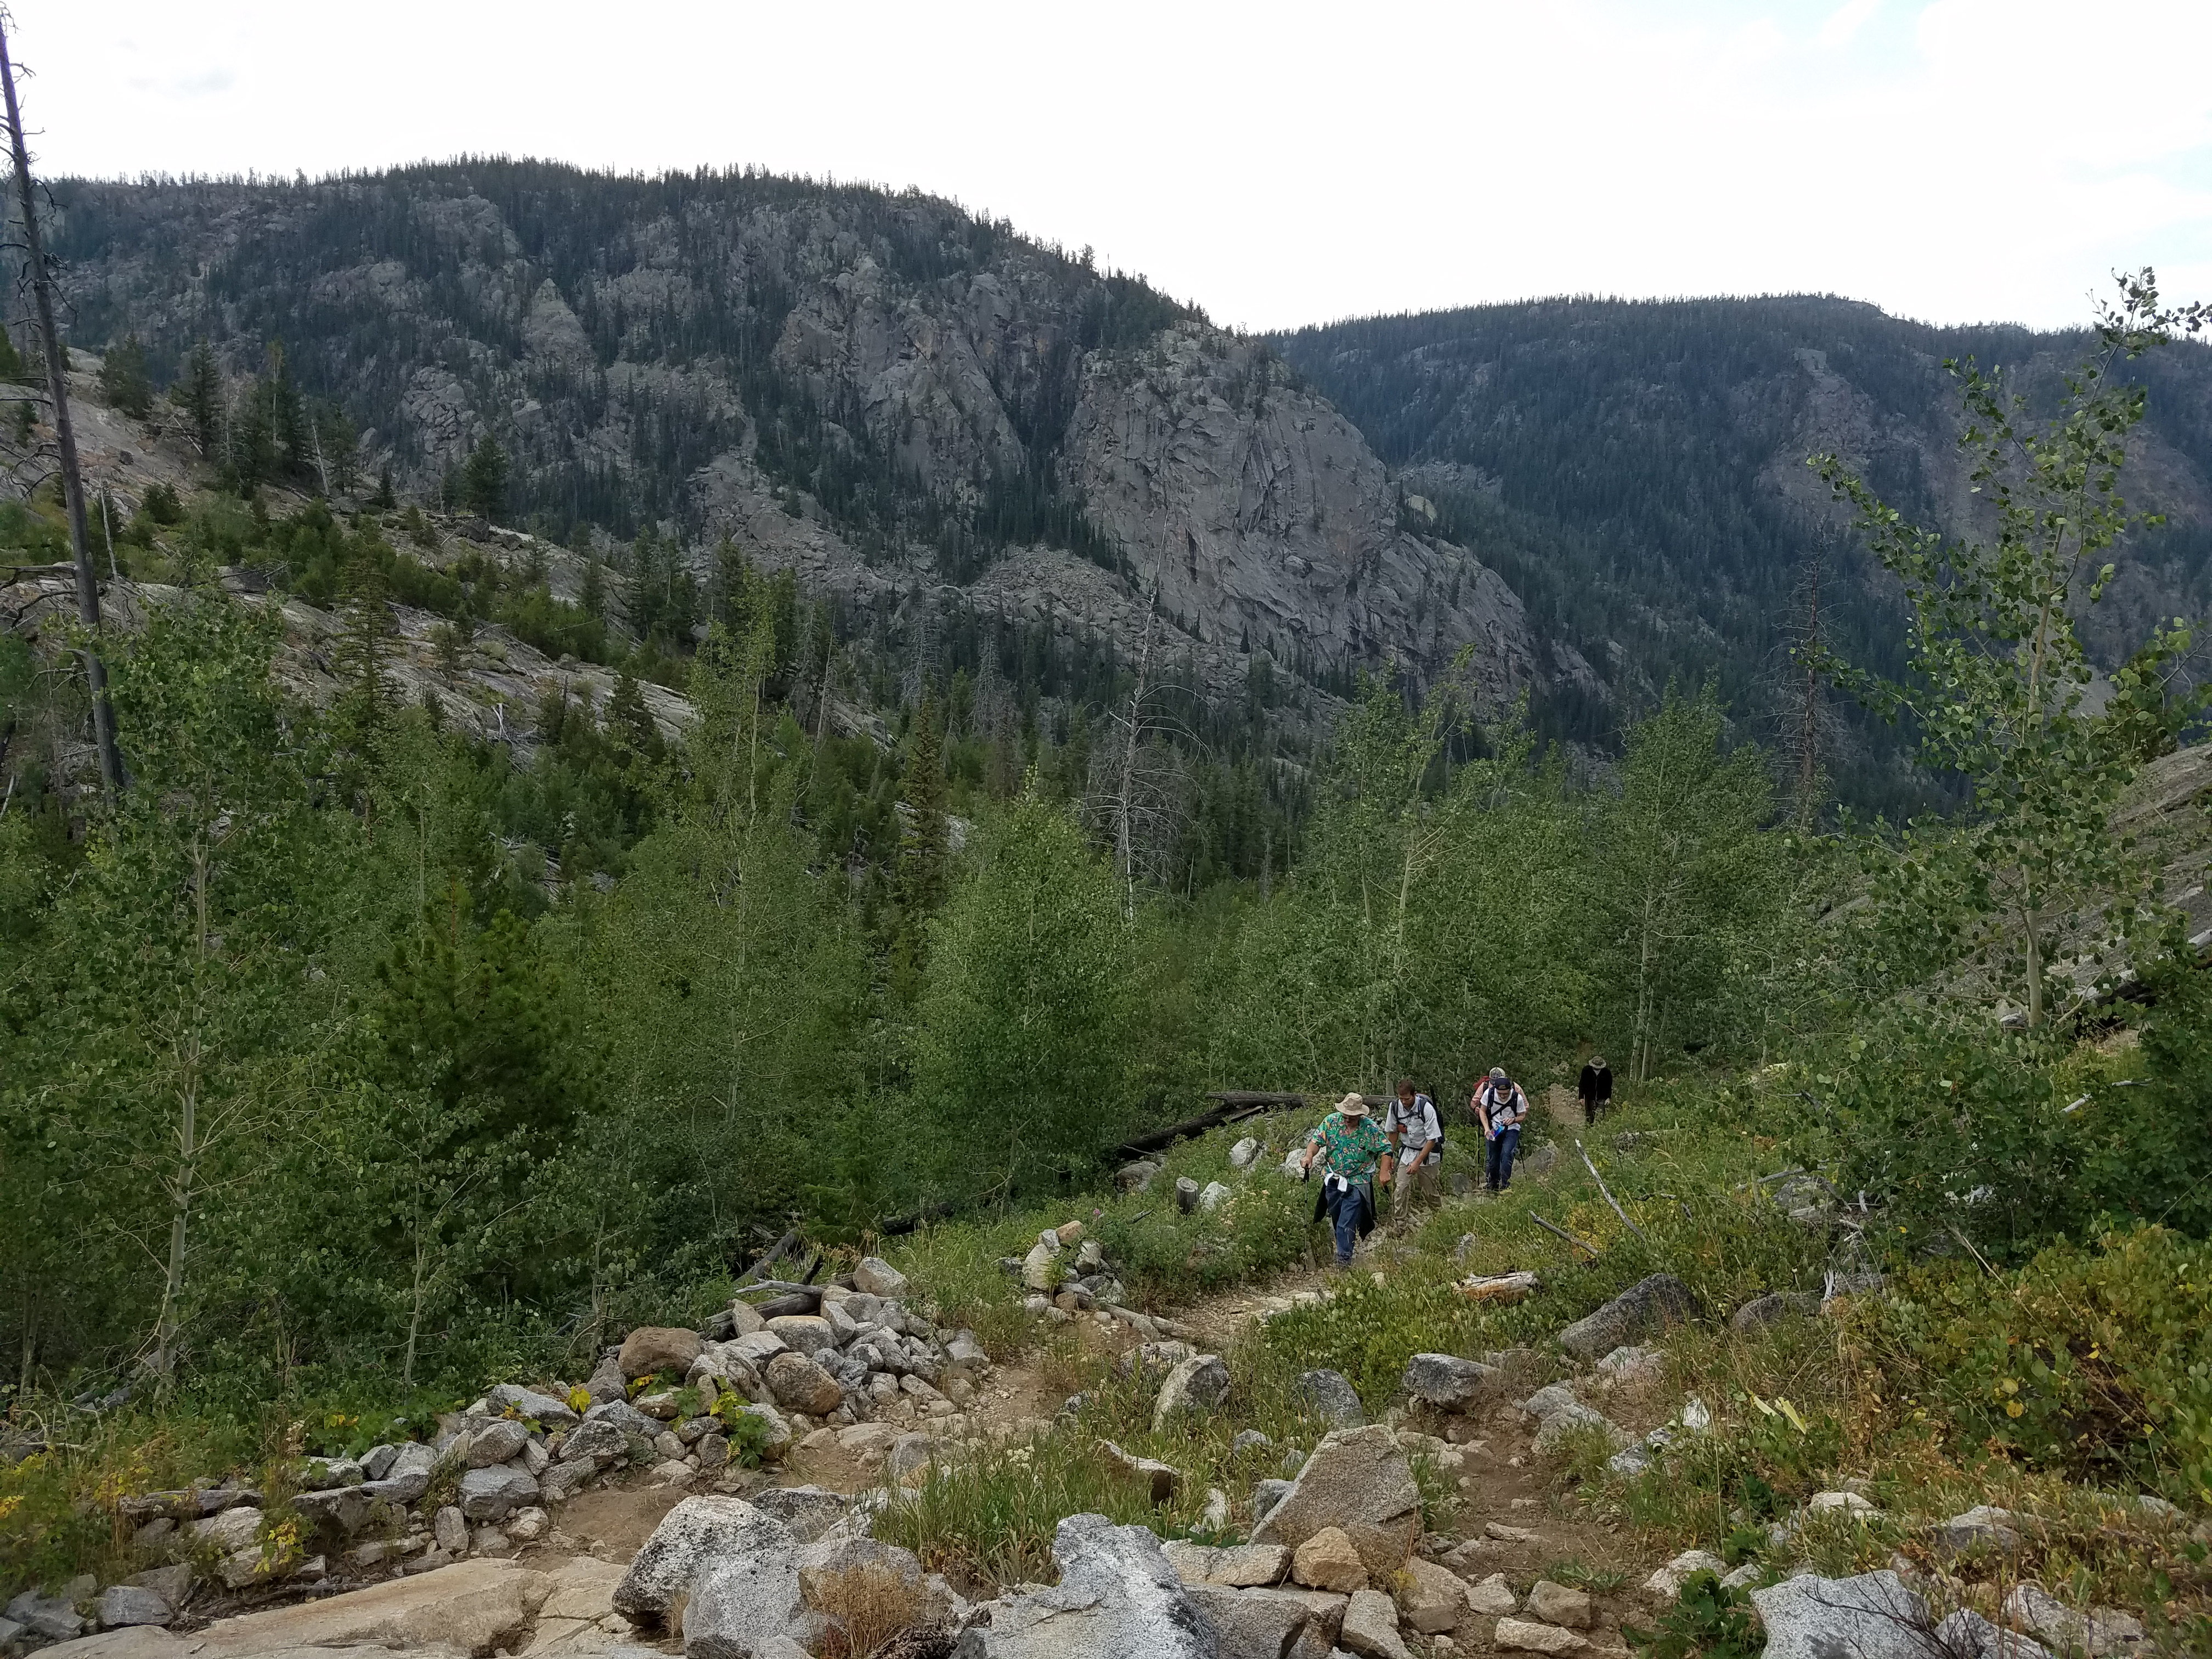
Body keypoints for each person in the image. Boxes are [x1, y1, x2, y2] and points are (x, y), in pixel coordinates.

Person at [1299, 1090, 1391, 1267]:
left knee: (1345, 1222)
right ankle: (1345, 1248)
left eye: (1353, 1116)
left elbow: (1386, 1149)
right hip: (1334, 1180)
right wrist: (1309, 1156)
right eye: (1346, 1115)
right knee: (1337, 1219)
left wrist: (1383, 1172)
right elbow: (1316, 1142)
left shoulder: (1369, 1128)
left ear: (1360, 1115)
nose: (1348, 1119)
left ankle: (1343, 1261)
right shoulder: (1331, 1122)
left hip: (1358, 1181)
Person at [1384, 1077, 1443, 1226]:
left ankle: (1439, 1220)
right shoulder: (1395, 1107)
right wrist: (1389, 1156)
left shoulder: (1426, 1109)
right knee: (1401, 1188)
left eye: (1407, 1099)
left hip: (1428, 1153)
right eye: (1401, 1098)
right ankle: (1399, 1224)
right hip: (1407, 1152)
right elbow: (1392, 1133)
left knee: (1430, 1192)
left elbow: (1432, 1139)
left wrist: (1417, 1162)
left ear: (1414, 1095)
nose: (1404, 1102)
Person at [1475, 1066, 1530, 1193]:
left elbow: (1522, 1115)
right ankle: (1493, 1185)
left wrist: (1514, 1120)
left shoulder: (1517, 1097)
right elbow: (1482, 1111)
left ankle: (1505, 1185)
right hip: (1495, 1128)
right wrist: (1487, 1129)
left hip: (1512, 1129)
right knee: (1493, 1158)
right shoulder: (1489, 1094)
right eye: (1500, 1094)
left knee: (1507, 1154)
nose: (1503, 1096)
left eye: (1506, 1094)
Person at [1578, 1054, 1613, 1126]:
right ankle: (1588, 1130)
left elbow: (1609, 1086)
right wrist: (1581, 1097)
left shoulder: (1607, 1073)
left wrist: (1608, 1098)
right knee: (1589, 1116)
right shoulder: (1586, 1071)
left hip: (1601, 1097)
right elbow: (1582, 1084)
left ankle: (1599, 1130)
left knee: (1600, 1115)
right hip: (1589, 1096)